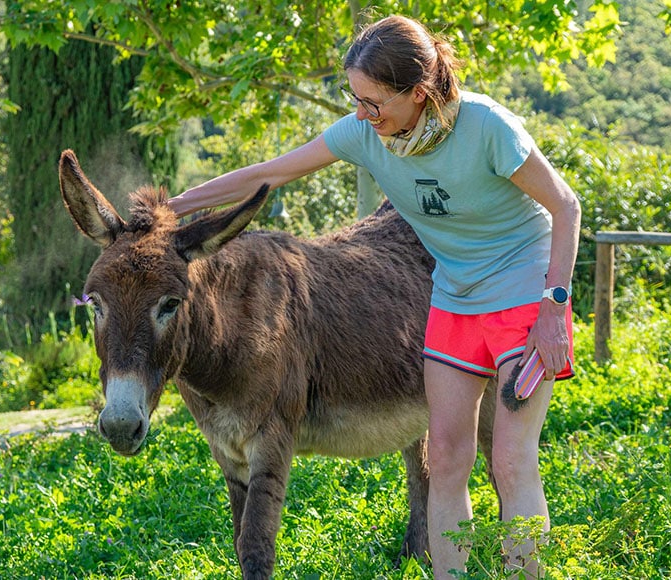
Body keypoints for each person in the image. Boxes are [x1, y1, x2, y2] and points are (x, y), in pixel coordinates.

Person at [168, 14, 580, 579]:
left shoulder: (487, 127)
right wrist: (175, 211)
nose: (361, 114)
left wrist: (554, 310)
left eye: (373, 101)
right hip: (455, 297)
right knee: (446, 459)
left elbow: (565, 207)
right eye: (354, 99)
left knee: (509, 462)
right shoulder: (366, 133)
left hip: (523, 292)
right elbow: (265, 176)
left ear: (417, 93)